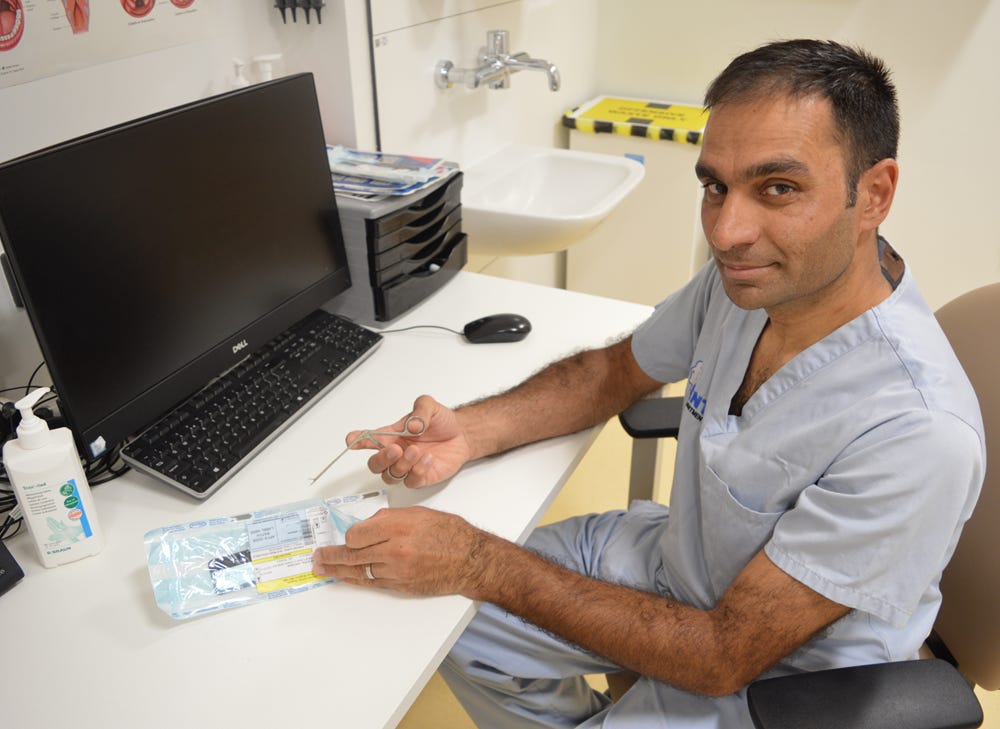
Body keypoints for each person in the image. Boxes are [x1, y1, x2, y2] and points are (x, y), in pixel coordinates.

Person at [312, 39, 985, 728]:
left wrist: (480, 559)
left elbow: (725, 653)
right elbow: (613, 370)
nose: (728, 230)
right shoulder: (750, 285)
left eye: (778, 188)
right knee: (443, 622)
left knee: (472, 575)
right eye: (715, 186)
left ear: (873, 194)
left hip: (774, 676)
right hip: (679, 564)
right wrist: (472, 430)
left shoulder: (917, 430)